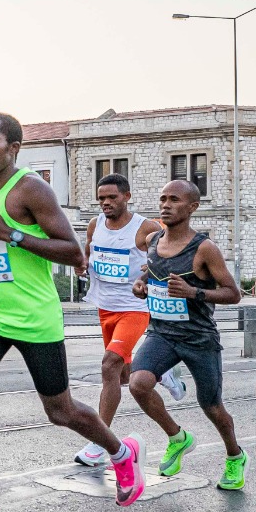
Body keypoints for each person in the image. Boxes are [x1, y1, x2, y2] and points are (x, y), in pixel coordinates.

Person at [0, 112, 146, 512]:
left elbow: (72, 253)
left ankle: (122, 453)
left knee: (60, 411)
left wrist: (13, 235)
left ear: (13, 148)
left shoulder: (32, 188)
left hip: (34, 318)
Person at [126, 180, 249, 488]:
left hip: (198, 338)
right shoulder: (154, 240)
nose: (166, 205)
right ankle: (177, 437)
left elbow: (233, 293)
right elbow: (153, 270)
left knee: (211, 406)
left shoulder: (204, 248)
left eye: (175, 200)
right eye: (163, 198)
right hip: (162, 333)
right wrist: (142, 283)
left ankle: (235, 456)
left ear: (192, 207)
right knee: (138, 384)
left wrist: (194, 292)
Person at [75, 172, 185, 467]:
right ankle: (161, 373)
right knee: (123, 374)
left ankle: (100, 443)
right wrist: (82, 265)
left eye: (112, 197)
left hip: (134, 308)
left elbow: (168, 252)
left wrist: (152, 279)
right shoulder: (95, 224)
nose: (106, 203)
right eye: (101, 199)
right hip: (104, 306)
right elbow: (89, 251)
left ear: (127, 196)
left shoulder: (144, 227)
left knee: (109, 365)